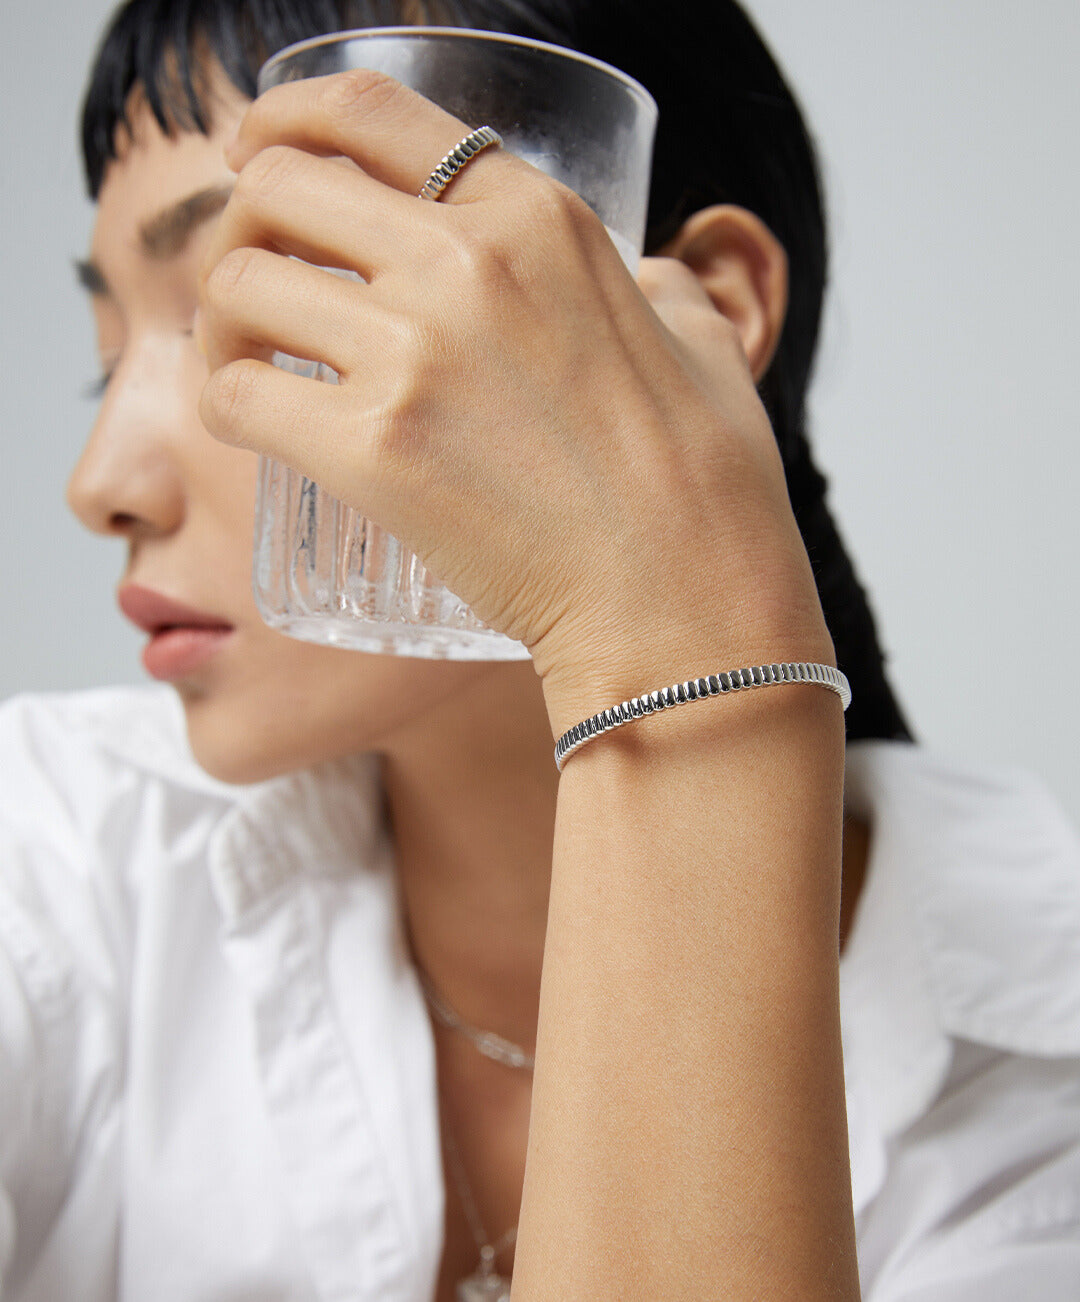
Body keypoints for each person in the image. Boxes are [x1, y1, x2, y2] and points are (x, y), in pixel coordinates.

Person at [1, 1, 1077, 1299]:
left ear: (704, 322)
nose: (102, 482)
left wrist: (678, 623)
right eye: (110, 356)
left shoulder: (1041, 1043)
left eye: (278, 292)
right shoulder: (59, 855)